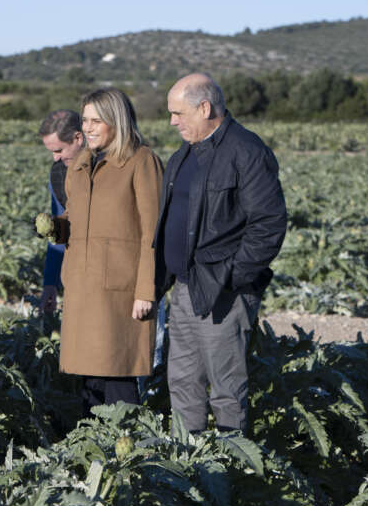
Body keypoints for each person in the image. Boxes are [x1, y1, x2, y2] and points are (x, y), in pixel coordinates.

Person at [155, 73, 287, 434]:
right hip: (183, 288)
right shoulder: (184, 153)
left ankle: (231, 472)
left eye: (178, 113)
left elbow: (269, 224)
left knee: (226, 391)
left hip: (223, 294)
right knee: (182, 384)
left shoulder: (246, 151)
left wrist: (231, 278)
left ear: (204, 107)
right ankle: (188, 467)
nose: (172, 121)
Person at [58, 88, 163, 417]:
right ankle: (91, 458)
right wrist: (55, 227)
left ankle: (131, 456)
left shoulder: (142, 161)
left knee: (117, 376)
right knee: (90, 380)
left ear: (116, 121)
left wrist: (147, 290)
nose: (87, 128)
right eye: (84, 120)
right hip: (83, 286)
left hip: (121, 292)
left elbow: (153, 232)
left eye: (95, 121)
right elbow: (75, 221)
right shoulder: (80, 164)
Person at [37, 109, 84, 314]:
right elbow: (59, 234)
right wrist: (50, 284)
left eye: (59, 150)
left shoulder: (113, 168)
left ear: (78, 138)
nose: (55, 158)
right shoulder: (58, 173)